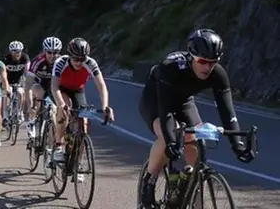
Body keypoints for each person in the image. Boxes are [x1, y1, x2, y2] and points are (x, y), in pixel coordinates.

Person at [138, 29, 255, 208]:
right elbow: (166, 110)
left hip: (184, 102)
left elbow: (227, 112)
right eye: (203, 61)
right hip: (156, 100)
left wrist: (237, 144)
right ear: (192, 56)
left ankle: (189, 187)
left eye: (213, 62)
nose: (208, 67)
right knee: (170, 134)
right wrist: (171, 141)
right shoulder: (171, 67)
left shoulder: (218, 74)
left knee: (195, 147)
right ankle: (149, 179)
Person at [50, 37, 114, 162]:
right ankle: (58, 145)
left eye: (82, 59)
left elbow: (101, 86)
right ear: (69, 56)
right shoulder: (61, 62)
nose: (79, 62)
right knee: (64, 110)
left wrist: (106, 106)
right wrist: (61, 104)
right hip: (61, 89)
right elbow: (54, 87)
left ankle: (77, 163)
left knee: (83, 124)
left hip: (78, 90)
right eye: (75, 59)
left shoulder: (90, 63)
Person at [25, 36, 62, 139]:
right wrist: (30, 106)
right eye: (49, 52)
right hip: (38, 83)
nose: (52, 55)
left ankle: (52, 143)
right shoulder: (37, 62)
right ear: (44, 51)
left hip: (53, 86)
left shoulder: (61, 62)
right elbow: (28, 85)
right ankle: (32, 121)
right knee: (40, 94)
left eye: (55, 52)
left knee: (55, 109)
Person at [3, 40, 31, 124]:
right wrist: (5, 84)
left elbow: (27, 70)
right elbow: (3, 72)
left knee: (20, 92)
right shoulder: (6, 58)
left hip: (20, 79)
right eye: (14, 51)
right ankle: (5, 116)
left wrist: (27, 81)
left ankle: (20, 112)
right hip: (8, 79)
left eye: (19, 51)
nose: (16, 53)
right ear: (10, 51)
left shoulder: (24, 57)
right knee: (8, 93)